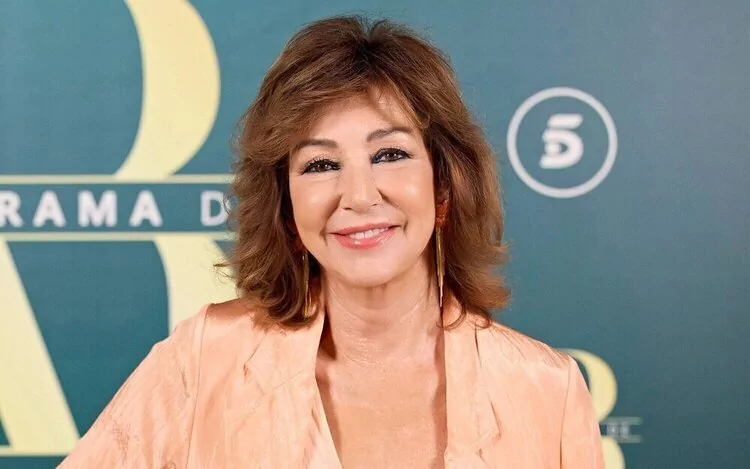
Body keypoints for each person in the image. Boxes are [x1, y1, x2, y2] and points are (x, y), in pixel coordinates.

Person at [59, 15, 604, 469]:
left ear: (443, 187)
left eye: (389, 154)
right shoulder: (206, 360)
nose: (359, 196)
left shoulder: (546, 390)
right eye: (321, 164)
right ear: (286, 208)